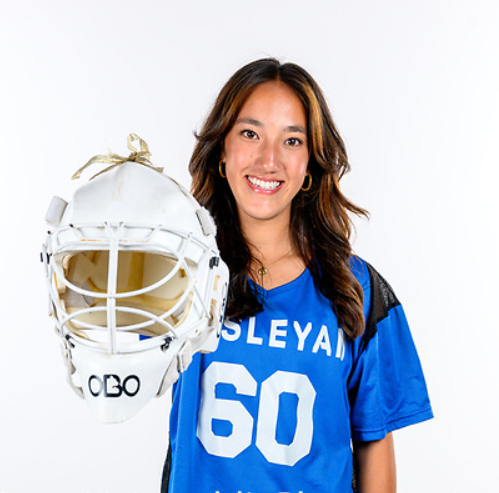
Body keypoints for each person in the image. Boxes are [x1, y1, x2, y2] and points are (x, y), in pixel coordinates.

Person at [161, 58, 433, 493]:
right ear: (222, 152)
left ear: (309, 164)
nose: (269, 160)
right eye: (250, 133)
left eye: (292, 140)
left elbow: (374, 441)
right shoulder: (178, 275)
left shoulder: (357, 288)